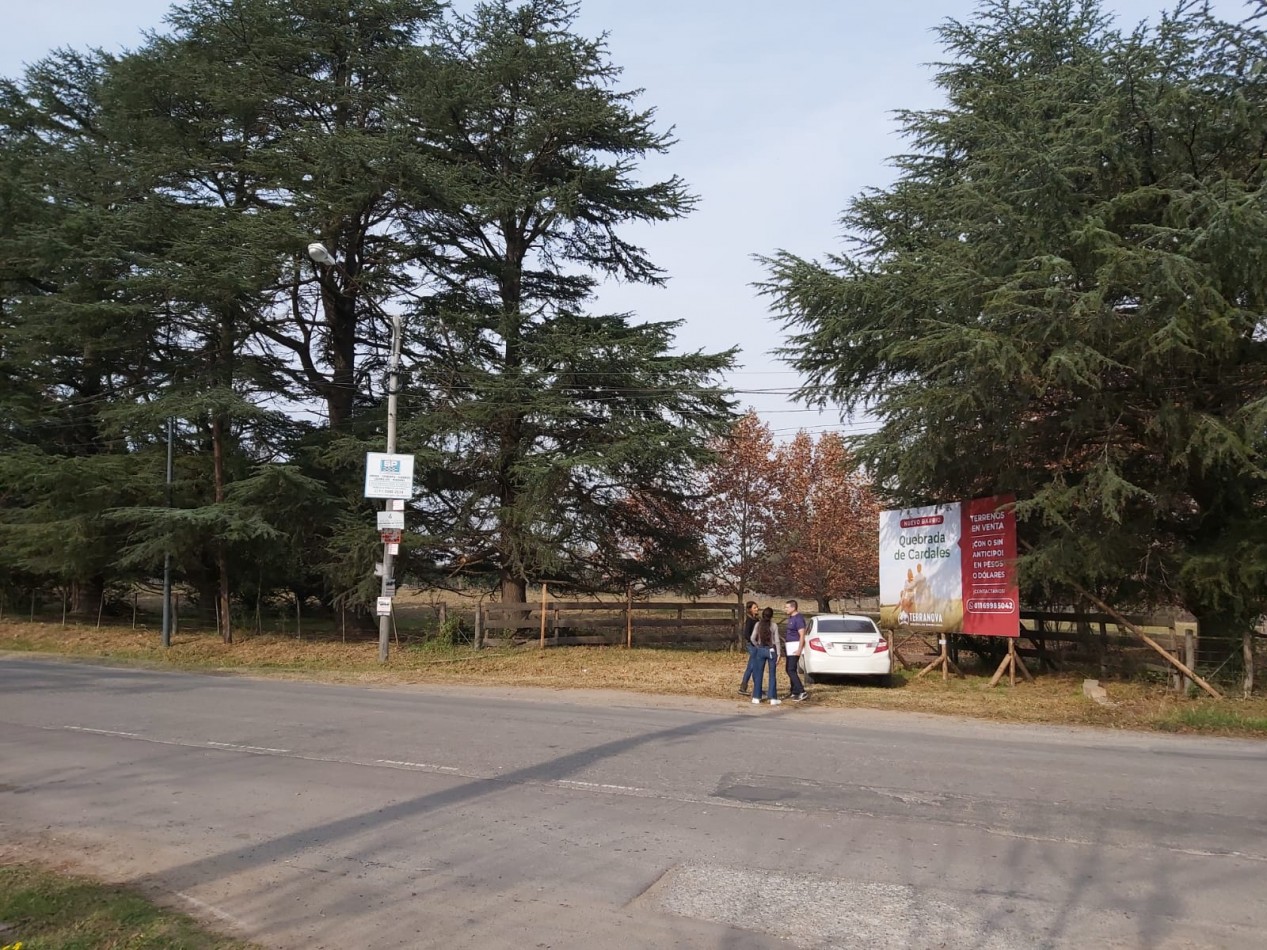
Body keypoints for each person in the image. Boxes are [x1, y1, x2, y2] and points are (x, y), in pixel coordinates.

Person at [749, 607, 782, 705]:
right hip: (771, 650)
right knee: (772, 674)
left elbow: (752, 638)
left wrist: (757, 645)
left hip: (760, 649)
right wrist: (779, 653)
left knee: (758, 673)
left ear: (762, 615)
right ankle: (772, 698)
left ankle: (756, 697)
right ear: (772, 616)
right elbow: (777, 641)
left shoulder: (758, 624)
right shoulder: (774, 625)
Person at [783, 599, 809, 701]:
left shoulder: (798, 619)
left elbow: (802, 635)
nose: (785, 609)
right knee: (789, 669)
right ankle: (794, 691)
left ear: (793, 608)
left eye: (787, 607)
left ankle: (802, 691)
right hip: (789, 647)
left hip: (795, 647)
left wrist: (799, 649)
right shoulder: (791, 617)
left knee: (791, 669)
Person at [738, 601, 761, 694]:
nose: (757, 609)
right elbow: (747, 634)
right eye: (754, 608)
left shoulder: (757, 619)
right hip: (752, 645)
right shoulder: (749, 620)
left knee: (755, 666)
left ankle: (757, 688)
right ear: (750, 609)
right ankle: (743, 687)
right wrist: (753, 642)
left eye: (757, 607)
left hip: (757, 645)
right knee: (751, 666)